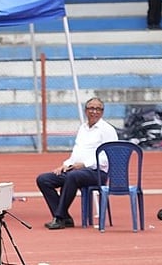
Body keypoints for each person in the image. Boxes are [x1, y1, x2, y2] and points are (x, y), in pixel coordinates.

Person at [35, 97, 119, 230]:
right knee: (44, 179)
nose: (94, 111)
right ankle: (65, 217)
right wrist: (65, 164)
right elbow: (76, 153)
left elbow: (109, 157)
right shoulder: (83, 128)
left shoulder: (107, 130)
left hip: (97, 173)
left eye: (98, 109)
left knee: (72, 176)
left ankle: (59, 218)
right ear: (86, 111)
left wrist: (85, 164)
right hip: (76, 171)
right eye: (91, 108)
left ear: (102, 112)